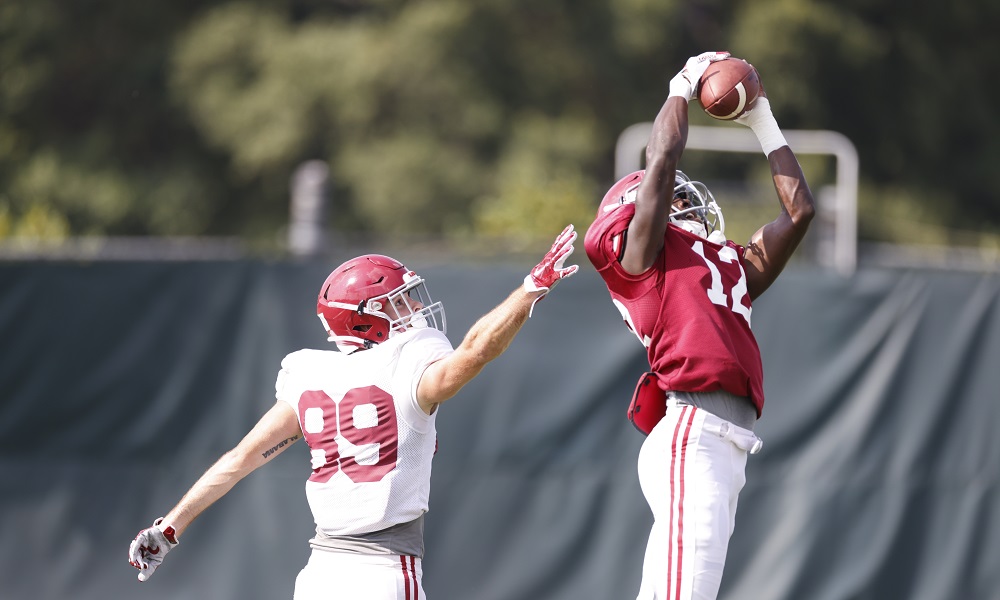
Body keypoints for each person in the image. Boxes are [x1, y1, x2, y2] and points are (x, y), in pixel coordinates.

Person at [128, 225, 579, 599]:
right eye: (401, 303)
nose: (417, 309)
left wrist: (169, 527)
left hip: (319, 576)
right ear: (364, 319)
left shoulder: (309, 375)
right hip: (382, 572)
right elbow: (476, 352)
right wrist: (528, 291)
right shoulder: (409, 363)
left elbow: (239, 459)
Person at [583, 52, 815, 599]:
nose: (687, 208)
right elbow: (662, 155)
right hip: (695, 432)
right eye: (673, 201)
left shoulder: (724, 264)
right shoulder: (642, 260)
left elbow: (800, 211)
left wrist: (761, 117)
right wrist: (682, 87)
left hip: (725, 442)